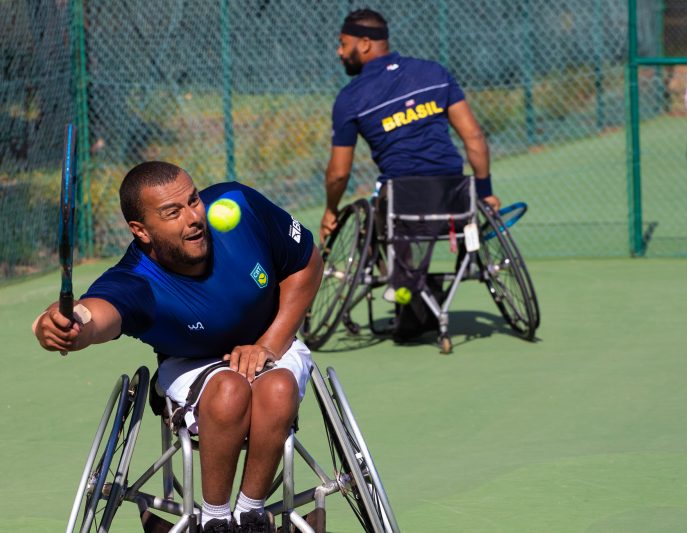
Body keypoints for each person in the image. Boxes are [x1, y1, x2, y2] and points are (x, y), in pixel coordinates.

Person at [33, 161, 322, 533]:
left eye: (193, 201)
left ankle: (251, 515)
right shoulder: (136, 281)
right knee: (231, 389)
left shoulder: (239, 206)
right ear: (142, 231)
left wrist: (269, 343)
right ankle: (214, 520)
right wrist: (62, 325)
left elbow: (307, 264)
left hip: (271, 343)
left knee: (279, 388)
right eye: (172, 212)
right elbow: (96, 314)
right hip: (192, 364)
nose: (193, 218)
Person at [320, 8, 500, 342]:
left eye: (343, 44)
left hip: (401, 205)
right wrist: (485, 191)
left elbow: (338, 174)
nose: (339, 52)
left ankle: (407, 294)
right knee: (414, 217)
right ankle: (419, 299)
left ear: (364, 43)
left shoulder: (350, 98)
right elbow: (474, 137)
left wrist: (331, 210)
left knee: (373, 222)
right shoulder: (434, 72)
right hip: (456, 197)